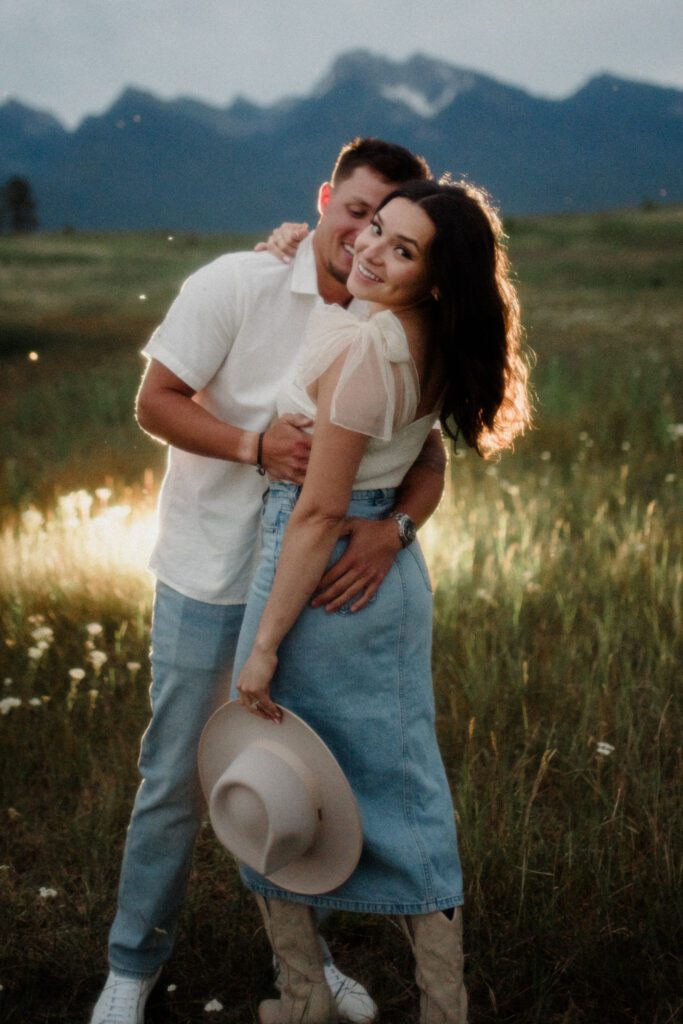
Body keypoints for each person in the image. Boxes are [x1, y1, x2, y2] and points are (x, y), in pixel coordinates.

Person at [89, 138, 443, 1024]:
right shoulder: (239, 282)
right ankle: (132, 964)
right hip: (213, 571)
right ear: (326, 199)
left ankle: (307, 971)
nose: (365, 237)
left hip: (312, 592)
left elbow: (429, 453)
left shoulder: (393, 317)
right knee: (177, 774)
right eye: (355, 211)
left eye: (390, 226)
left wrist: (396, 531)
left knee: (300, 777)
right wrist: (252, 446)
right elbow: (153, 402)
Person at [231, 178, 532, 1024]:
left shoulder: (367, 351)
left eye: (401, 250)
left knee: (270, 765)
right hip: (382, 576)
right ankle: (437, 1005)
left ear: (432, 277)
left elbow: (321, 509)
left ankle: (305, 996)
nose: (369, 249)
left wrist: (261, 647)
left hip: (317, 566)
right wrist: (396, 526)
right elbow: (424, 454)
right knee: (402, 781)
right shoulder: (424, 334)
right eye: (373, 229)